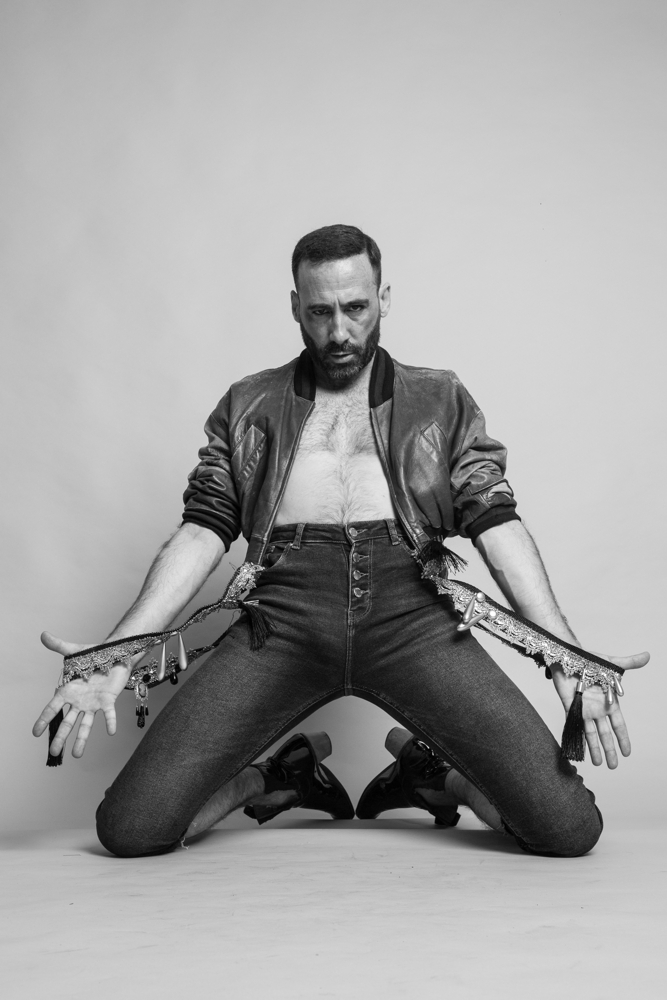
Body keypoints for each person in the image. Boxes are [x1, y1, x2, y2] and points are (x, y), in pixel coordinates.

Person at [33, 224, 648, 858]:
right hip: (282, 620)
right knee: (131, 828)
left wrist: (563, 654)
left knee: (567, 829)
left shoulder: (438, 397)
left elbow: (496, 522)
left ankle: (433, 777)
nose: (339, 332)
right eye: (320, 311)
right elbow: (202, 530)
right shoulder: (249, 403)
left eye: (355, 308)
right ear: (295, 306)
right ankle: (279, 778)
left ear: (384, 298)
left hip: (412, 617)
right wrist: (120, 651)